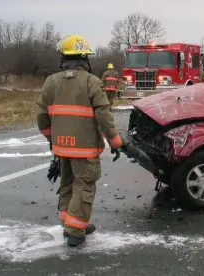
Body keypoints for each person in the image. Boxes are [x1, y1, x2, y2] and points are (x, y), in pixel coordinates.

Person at [36, 34, 124, 247]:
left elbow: (41, 115)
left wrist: (51, 138)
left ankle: (71, 222)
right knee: (84, 185)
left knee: (67, 183)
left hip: (61, 146)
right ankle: (75, 230)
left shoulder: (51, 82)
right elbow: (104, 116)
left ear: (63, 58)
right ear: (84, 57)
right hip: (84, 148)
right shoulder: (92, 82)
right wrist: (115, 142)